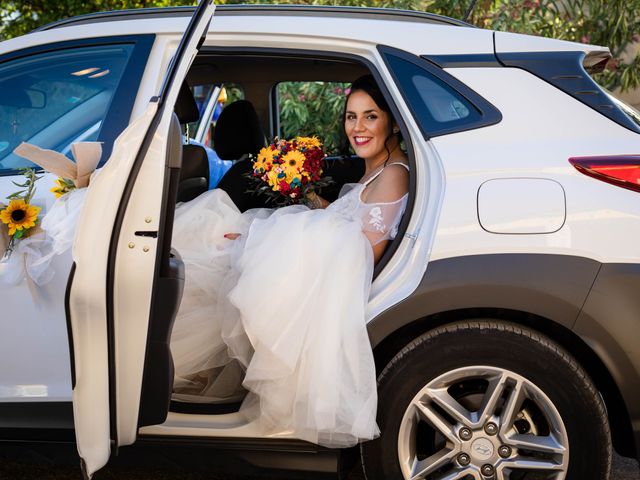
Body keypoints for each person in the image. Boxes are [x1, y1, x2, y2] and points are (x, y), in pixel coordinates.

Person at [169, 74, 409, 448]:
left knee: (223, 259)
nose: (357, 128)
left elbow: (365, 251)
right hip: (327, 263)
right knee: (219, 245)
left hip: (338, 282)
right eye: (351, 117)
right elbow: (348, 220)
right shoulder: (377, 167)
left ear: (392, 122)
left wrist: (278, 238)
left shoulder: (394, 174)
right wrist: (303, 194)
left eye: (370, 117)